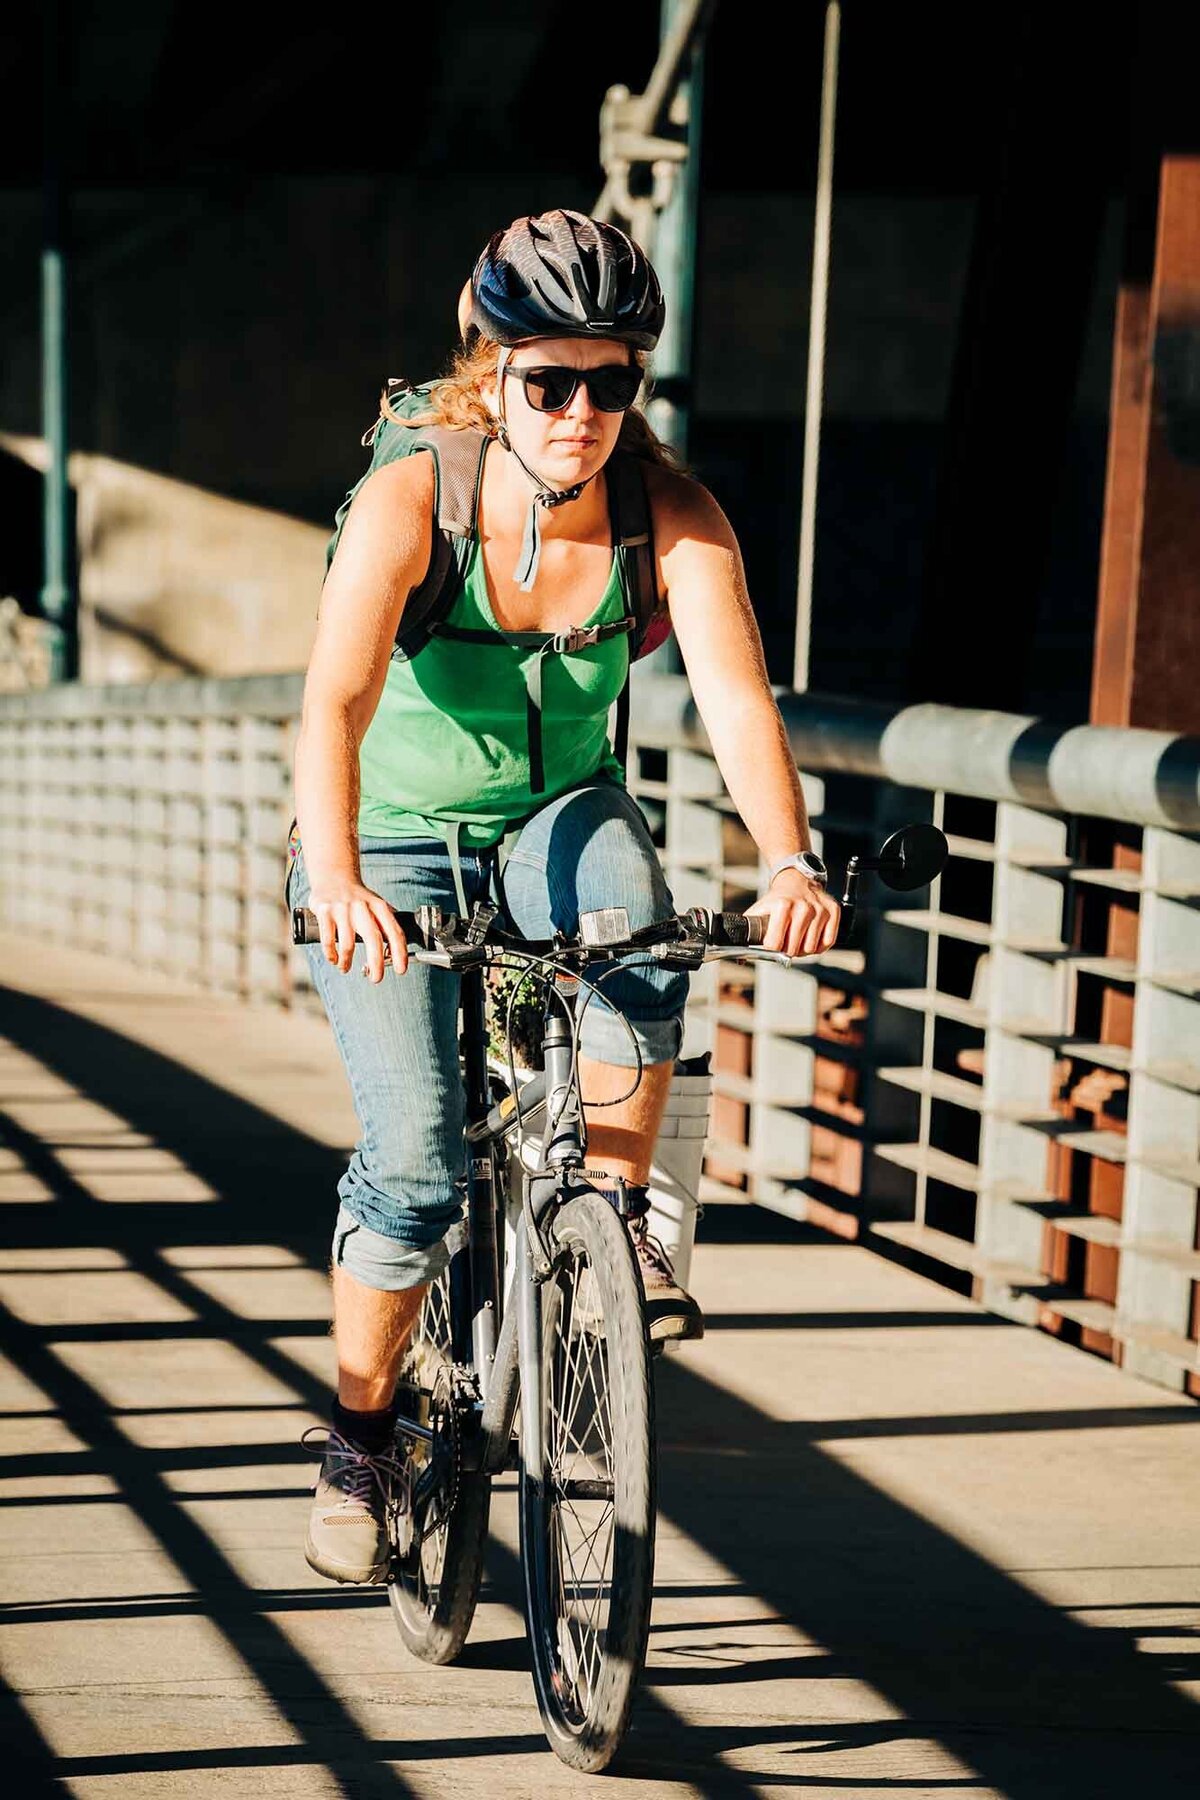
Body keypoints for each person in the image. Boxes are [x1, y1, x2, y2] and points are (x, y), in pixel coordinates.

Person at [290, 208, 840, 1585]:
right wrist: (342, 874)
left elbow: (734, 699)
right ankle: (360, 1431)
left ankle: (621, 1221)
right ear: (494, 368)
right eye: (550, 382)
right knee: (416, 1169)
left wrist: (787, 856)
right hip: (395, 834)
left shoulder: (671, 514)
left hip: (552, 811)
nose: (582, 414)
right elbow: (335, 696)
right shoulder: (417, 494)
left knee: (638, 918)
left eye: (612, 383)